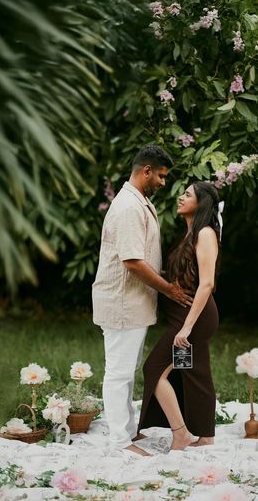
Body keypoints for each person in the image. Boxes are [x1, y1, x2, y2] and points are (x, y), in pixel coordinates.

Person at [92, 145, 193, 456]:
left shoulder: (140, 202)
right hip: (121, 303)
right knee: (118, 372)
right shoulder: (127, 208)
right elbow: (133, 262)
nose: (164, 182)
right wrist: (169, 290)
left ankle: (127, 431)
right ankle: (119, 442)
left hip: (134, 305)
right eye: (161, 176)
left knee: (128, 371)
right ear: (146, 171)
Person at [137, 181, 221, 450]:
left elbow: (206, 283)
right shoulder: (189, 234)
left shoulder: (205, 233)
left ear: (202, 203)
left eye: (187, 194)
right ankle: (206, 435)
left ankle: (181, 433)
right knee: (193, 371)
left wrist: (186, 328)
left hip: (194, 318)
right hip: (184, 316)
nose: (180, 197)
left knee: (154, 369)